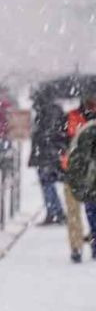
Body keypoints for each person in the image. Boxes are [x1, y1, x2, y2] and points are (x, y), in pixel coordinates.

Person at [63, 90, 96, 262]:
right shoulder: (72, 116)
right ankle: (76, 247)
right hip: (73, 170)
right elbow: (61, 139)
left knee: (92, 210)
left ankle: (93, 241)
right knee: (74, 211)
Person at [30, 92, 68, 225]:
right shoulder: (53, 110)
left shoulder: (46, 112)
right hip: (51, 152)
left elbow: (47, 133)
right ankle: (56, 212)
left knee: (47, 183)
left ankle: (54, 212)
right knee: (48, 183)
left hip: (46, 154)